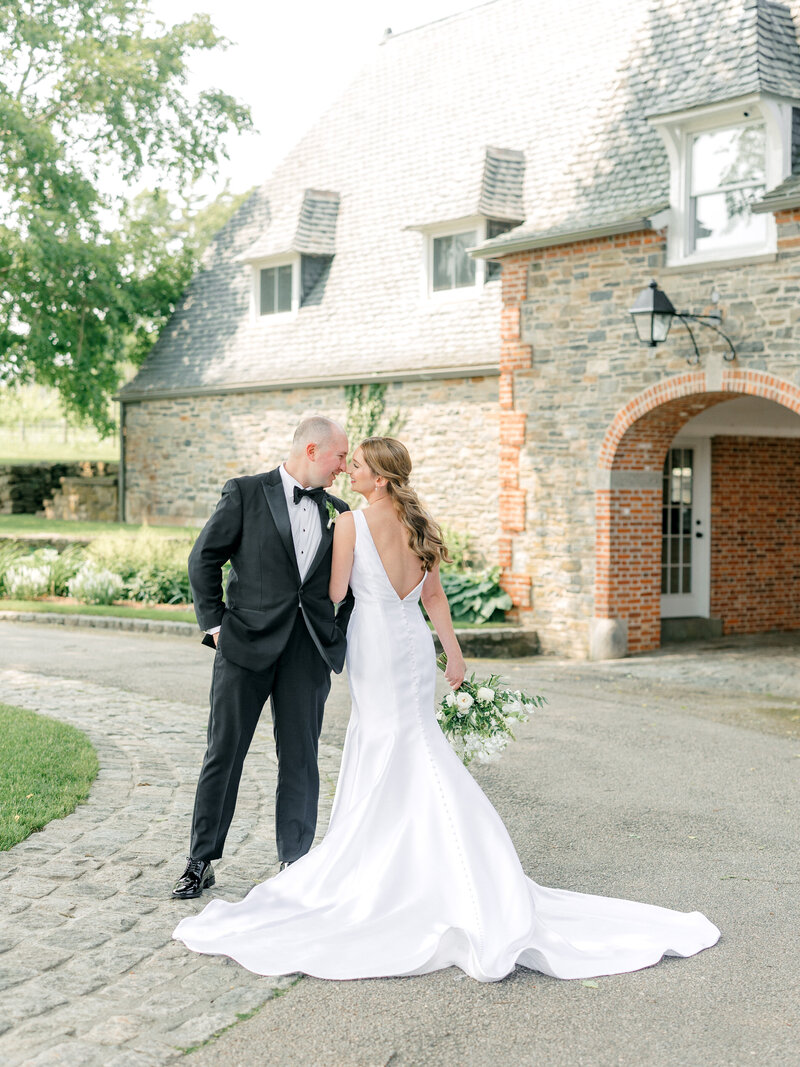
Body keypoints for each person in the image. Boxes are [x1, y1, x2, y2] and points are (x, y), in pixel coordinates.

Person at [173, 437, 719, 981]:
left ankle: (353, 861)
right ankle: (214, 858)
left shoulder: (347, 521)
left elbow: (334, 593)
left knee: (359, 747)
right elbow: (432, 598)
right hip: (404, 647)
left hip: (367, 648)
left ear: (378, 479)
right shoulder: (415, 524)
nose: (348, 470)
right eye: (344, 460)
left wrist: (337, 602)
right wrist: (452, 654)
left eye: (355, 464)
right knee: (401, 741)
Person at [171, 417, 353, 899]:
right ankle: (200, 859)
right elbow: (203, 558)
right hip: (243, 646)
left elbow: (353, 585)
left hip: (306, 650)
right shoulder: (246, 492)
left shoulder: (340, 512)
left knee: (301, 757)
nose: (345, 466)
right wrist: (214, 627)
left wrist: (338, 629)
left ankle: (294, 861)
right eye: (340, 457)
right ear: (312, 450)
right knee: (224, 752)